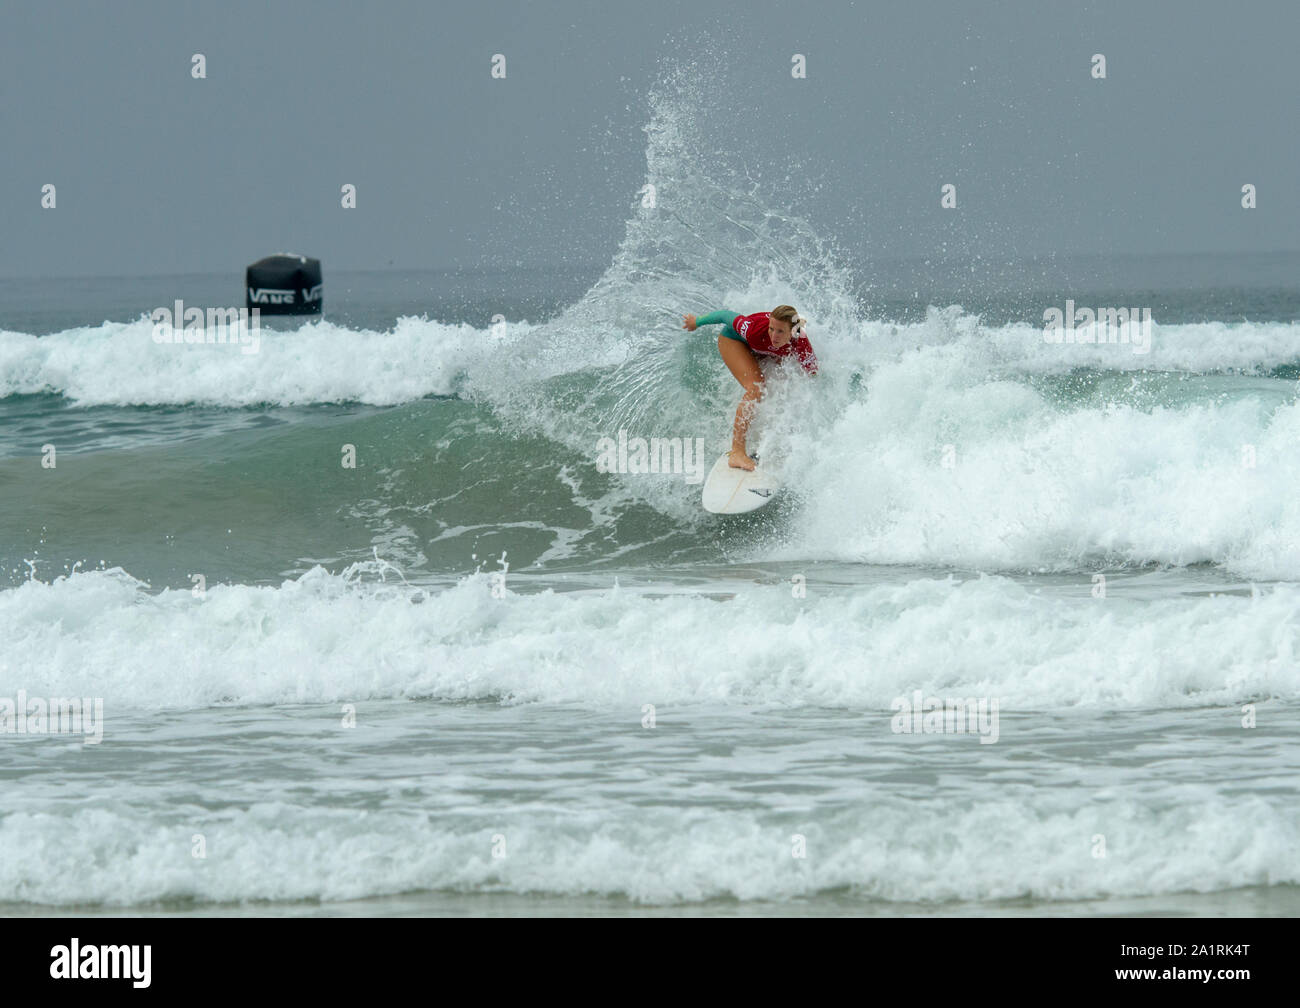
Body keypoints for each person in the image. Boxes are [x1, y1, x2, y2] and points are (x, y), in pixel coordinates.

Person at [682, 305, 818, 471]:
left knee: (781, 383)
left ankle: (764, 437)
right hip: (734, 341)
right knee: (756, 388)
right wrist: (696, 321)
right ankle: (737, 452)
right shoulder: (754, 329)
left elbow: (812, 374)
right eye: (772, 329)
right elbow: (725, 315)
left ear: (792, 332)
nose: (774, 336)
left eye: (780, 332)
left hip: (763, 350)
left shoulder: (801, 341)